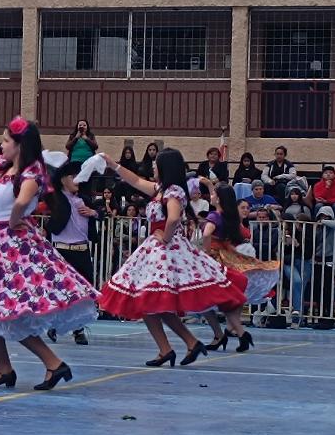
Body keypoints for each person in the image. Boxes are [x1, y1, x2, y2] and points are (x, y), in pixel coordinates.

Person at [0, 107, 98, 390]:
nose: (1, 145)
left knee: (6, 309)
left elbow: (23, 202)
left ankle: (47, 364)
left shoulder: (32, 172)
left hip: (14, 248)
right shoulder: (3, 166)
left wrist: (13, 220)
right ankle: (10, 367)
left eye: (6, 140)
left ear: (20, 145)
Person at [97, 148, 245, 368]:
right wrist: (113, 165)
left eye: (156, 164)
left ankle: (173, 347)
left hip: (165, 251)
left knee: (151, 300)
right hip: (159, 249)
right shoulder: (161, 189)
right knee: (153, 302)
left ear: (165, 167)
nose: (153, 167)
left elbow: (174, 218)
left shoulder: (173, 191)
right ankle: (183, 344)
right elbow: (135, 180)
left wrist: (164, 237)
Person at [200, 184, 276, 351]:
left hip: (214, 261)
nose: (211, 196)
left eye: (214, 194)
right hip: (224, 259)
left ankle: (222, 335)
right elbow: (227, 244)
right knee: (223, 301)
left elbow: (206, 234)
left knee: (204, 301)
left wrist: (205, 252)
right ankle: (239, 334)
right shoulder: (228, 218)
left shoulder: (214, 216)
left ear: (219, 198)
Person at [45, 160, 100, 346]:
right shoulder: (56, 197)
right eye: (72, 176)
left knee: (83, 292)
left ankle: (79, 329)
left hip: (82, 250)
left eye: (79, 176)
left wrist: (94, 213)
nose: (77, 179)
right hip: (62, 251)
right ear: (62, 180)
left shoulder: (84, 200)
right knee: (61, 290)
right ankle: (55, 324)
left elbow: (101, 212)